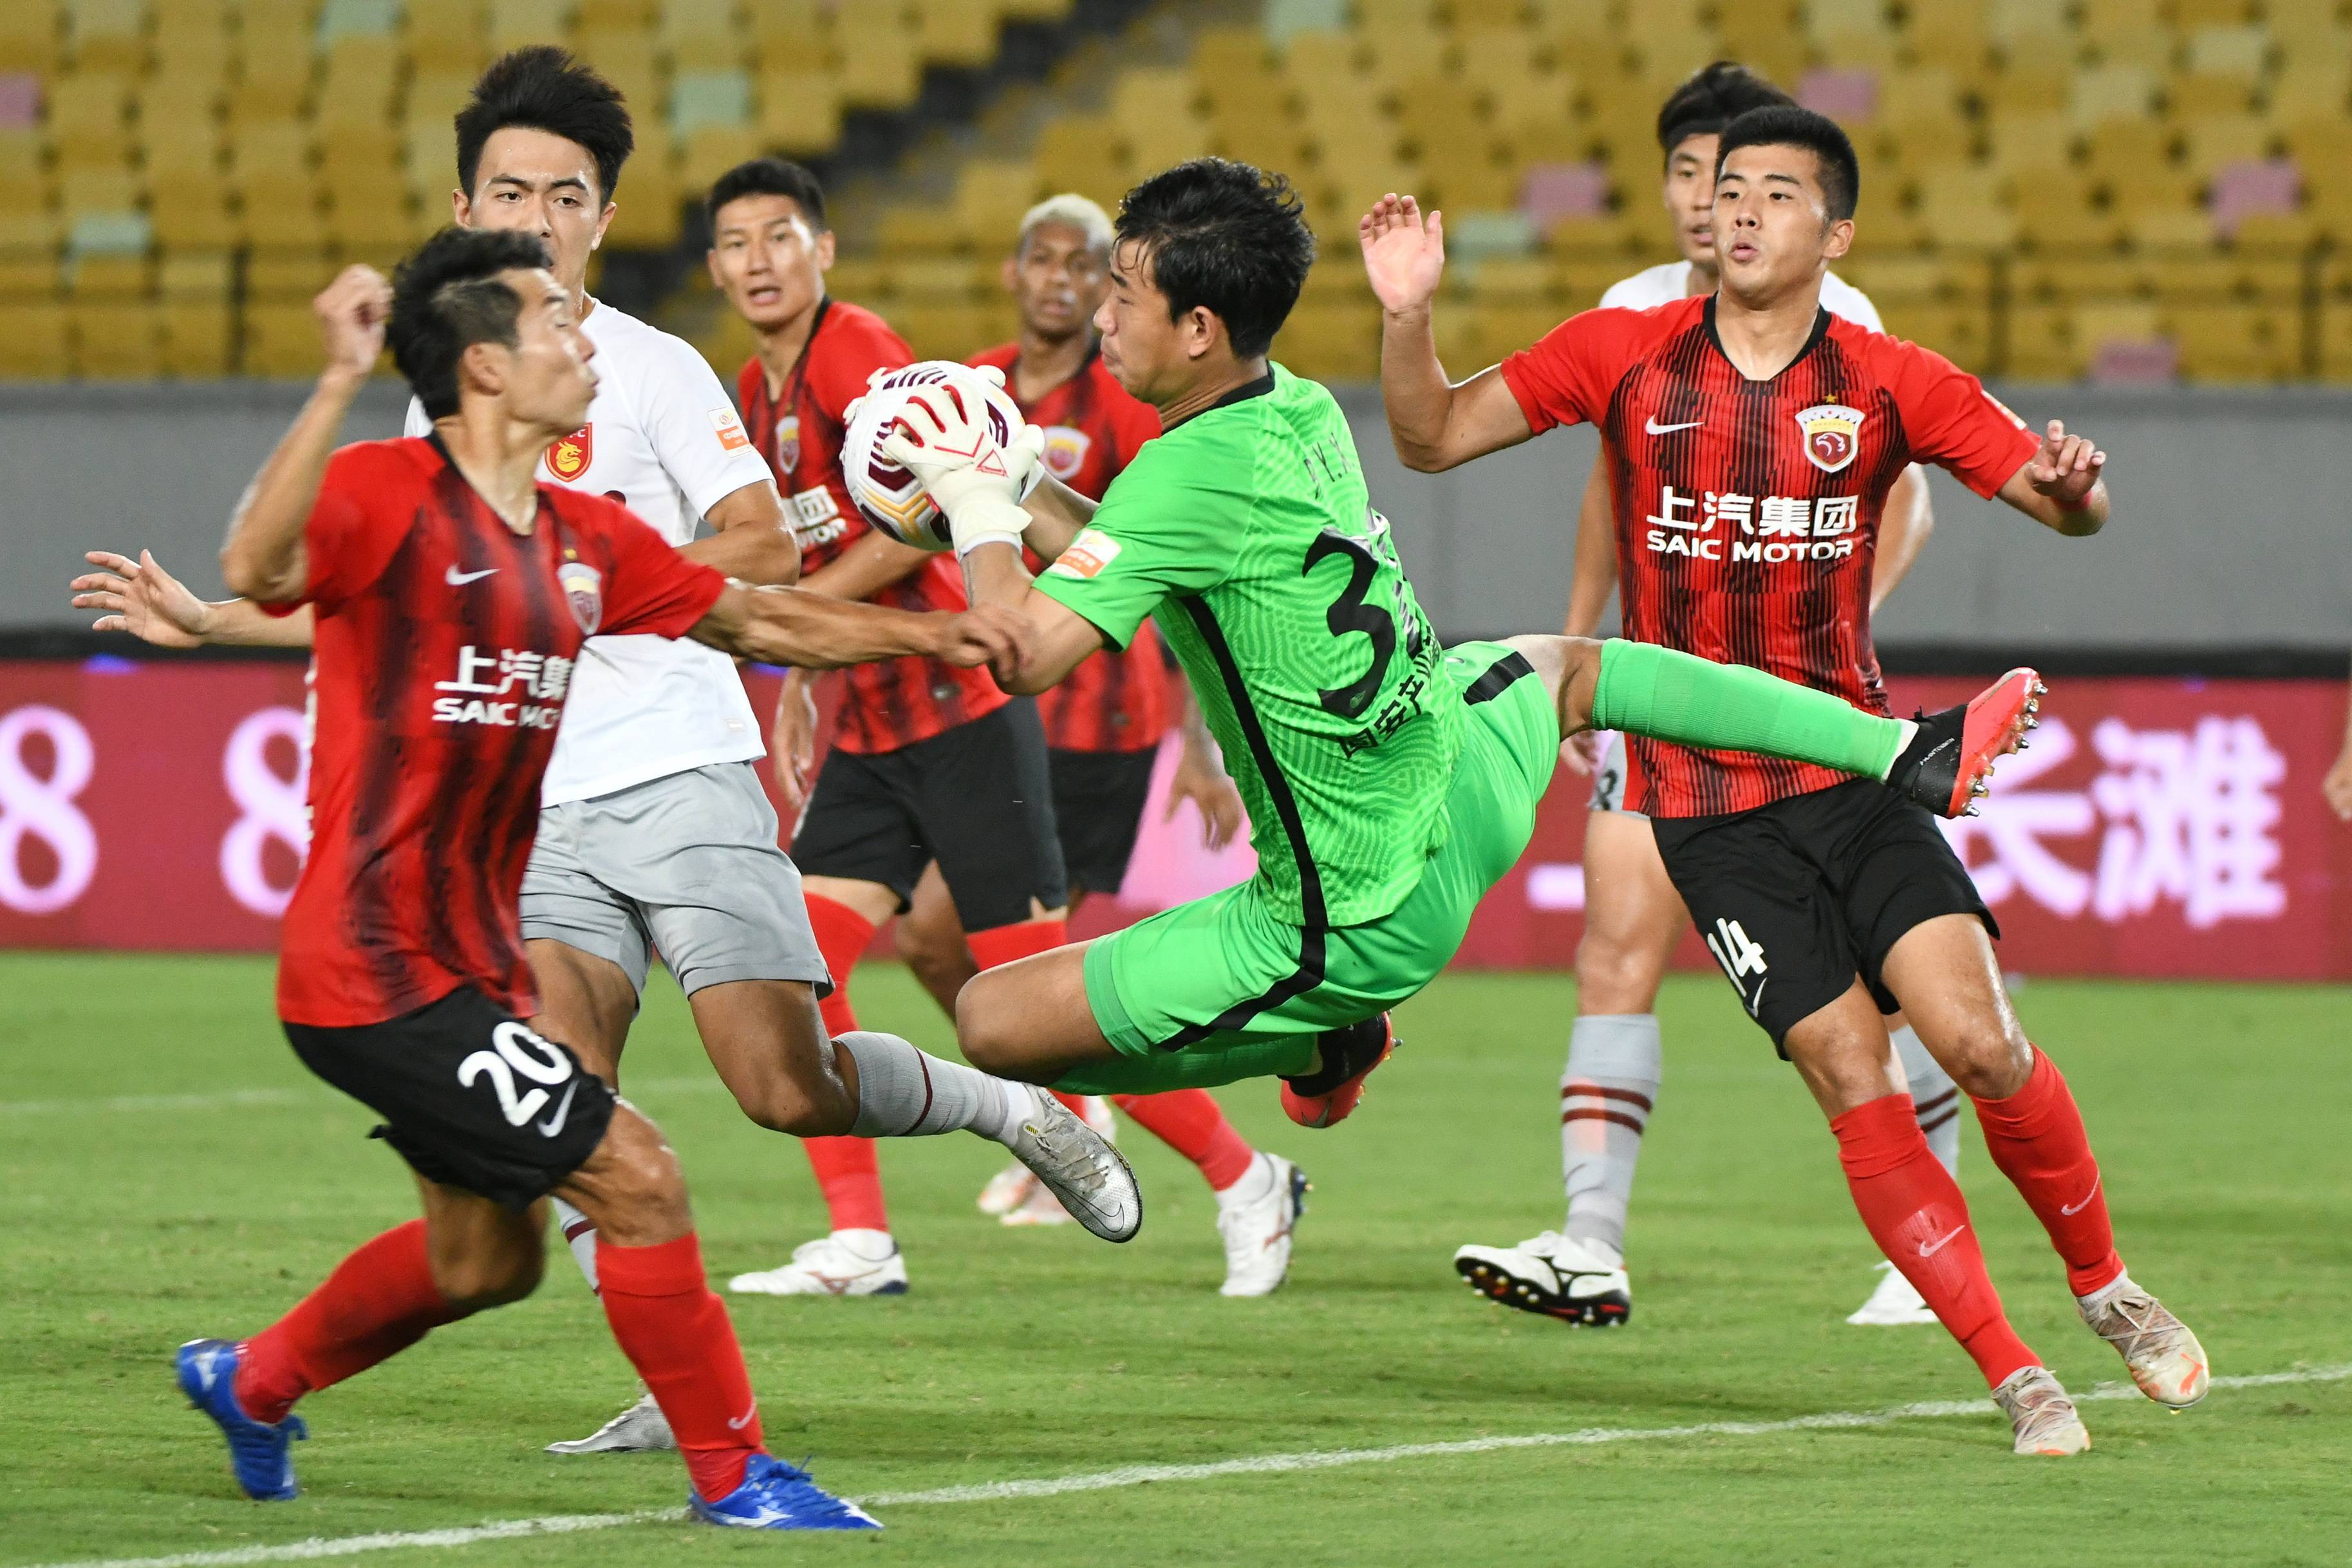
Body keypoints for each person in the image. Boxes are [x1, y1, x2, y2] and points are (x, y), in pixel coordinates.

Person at [70, 52, 1137, 1464]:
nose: (540, 215)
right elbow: (383, 587)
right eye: (512, 190)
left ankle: (1015, 1112)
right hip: (528, 811)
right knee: (572, 1114)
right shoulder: (445, 392)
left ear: (601, 215)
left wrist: (570, 586)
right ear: (467, 204)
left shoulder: (640, 367)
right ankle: (675, 1372)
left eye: (567, 195)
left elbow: (754, 556)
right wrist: (216, 619)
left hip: (683, 768)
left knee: (784, 1082)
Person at [856, 157, 2033, 1254]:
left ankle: (1311, 1036)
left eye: (1120, 293)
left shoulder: (1177, 476)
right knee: (1577, 666)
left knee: (993, 1023)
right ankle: (1906, 748)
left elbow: (1023, 653)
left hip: (1351, 904)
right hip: (1455, 763)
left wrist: (972, 500)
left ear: (1198, 328)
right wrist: (1025, 486)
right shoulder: (1296, 408)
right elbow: (1139, 549)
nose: (1102, 316)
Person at [1363, 107, 2207, 1455]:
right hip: (1704, 808)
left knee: (1980, 1038)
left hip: (1852, 769)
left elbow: (2061, 507)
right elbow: (1429, 441)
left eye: (1776, 194)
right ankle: (2012, 1371)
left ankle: (2107, 1288)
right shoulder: (1624, 354)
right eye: (1727, 190)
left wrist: (2076, 487)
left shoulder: (1887, 378)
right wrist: (1408, 318)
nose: (1739, 212)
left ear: (1836, 232)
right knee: (1846, 1066)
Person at [1456, 61, 1958, 1333]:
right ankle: (1590, 1242)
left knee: (1864, 990)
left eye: (1728, 178)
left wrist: (1830, 642)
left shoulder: (1840, 318)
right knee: (1614, 950)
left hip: (1800, 705)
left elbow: (1913, 498)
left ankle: (1929, 1232)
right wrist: (1575, 655)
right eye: (1690, 173)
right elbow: (1605, 494)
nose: (1704, 200)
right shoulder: (1634, 317)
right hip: (1658, 689)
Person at [886, 193, 1305, 1296]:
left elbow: (1146, 568)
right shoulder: (975, 388)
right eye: (1052, 260)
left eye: (1105, 276)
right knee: (946, 947)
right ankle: (1067, 1113)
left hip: (1092, 724)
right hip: (998, 726)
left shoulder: (1140, 408)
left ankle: (1232, 1169)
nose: (1076, 288)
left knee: (1020, 981)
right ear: (1017, 271)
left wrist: (977, 499)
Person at [702, 157, 1078, 1301]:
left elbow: (929, 514)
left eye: (780, 237)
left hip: (958, 712)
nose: (758, 260)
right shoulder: (749, 392)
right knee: (799, 970)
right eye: (735, 243)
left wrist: (807, 620)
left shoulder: (856, 350)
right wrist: (809, 667)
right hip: (871, 727)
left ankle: (1244, 1175)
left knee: (1049, 1012)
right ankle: (861, 1239)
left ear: (822, 250)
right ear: (715, 267)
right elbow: (809, 556)